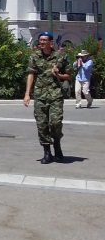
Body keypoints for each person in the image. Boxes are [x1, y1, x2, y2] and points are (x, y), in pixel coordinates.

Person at [23, 31, 71, 164]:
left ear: (50, 42)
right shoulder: (35, 56)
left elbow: (68, 76)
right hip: (40, 95)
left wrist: (58, 74)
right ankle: (47, 152)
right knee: (41, 124)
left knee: (55, 122)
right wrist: (27, 94)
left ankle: (57, 145)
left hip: (56, 94)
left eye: (44, 40)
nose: (42, 42)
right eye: (40, 40)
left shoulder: (61, 57)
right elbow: (31, 74)